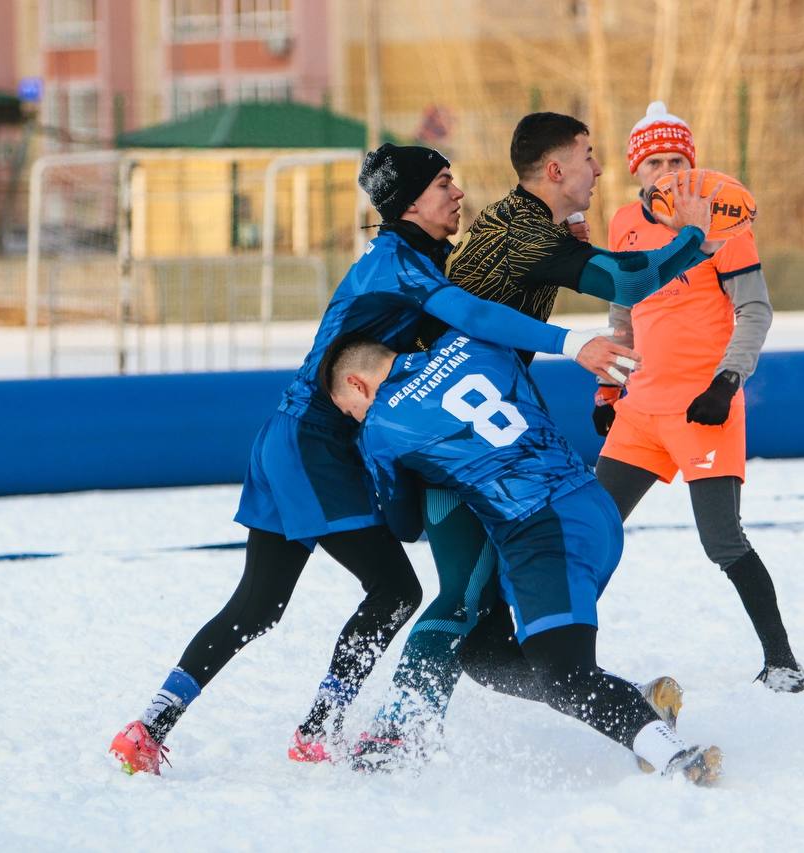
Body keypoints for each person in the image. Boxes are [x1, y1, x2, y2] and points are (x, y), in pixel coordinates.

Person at [107, 144, 641, 775]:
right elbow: (470, 313)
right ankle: (319, 729)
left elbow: (483, 297)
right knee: (391, 591)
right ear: (411, 201)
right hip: (317, 443)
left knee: (259, 606)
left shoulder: (419, 255)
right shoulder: (397, 261)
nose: (457, 193)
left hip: (291, 440)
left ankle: (148, 727)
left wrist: (563, 239)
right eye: (445, 183)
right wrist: (571, 342)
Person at [358, 112, 724, 759]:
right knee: (464, 594)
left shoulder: (519, 222)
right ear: (555, 170)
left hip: (467, 431)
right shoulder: (527, 234)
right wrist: (693, 234)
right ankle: (397, 730)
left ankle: (619, 698)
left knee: (488, 637)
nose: (600, 169)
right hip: (445, 440)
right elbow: (627, 281)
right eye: (588, 155)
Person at [322, 332, 723, 787]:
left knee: (565, 673)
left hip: (542, 528)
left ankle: (675, 757)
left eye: (349, 409)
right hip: (590, 503)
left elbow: (403, 525)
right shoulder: (477, 345)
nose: (356, 418)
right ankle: (639, 701)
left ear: (358, 384)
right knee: (484, 655)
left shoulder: (379, 428)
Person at [594, 101, 804, 692]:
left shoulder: (724, 223)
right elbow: (622, 309)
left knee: (722, 542)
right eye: (654, 161)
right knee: (588, 530)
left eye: (677, 160)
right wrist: (609, 384)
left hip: (703, 408)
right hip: (640, 412)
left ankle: (782, 660)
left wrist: (725, 382)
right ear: (637, 170)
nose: (666, 171)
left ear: (693, 164)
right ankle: (564, 659)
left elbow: (755, 310)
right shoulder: (623, 224)